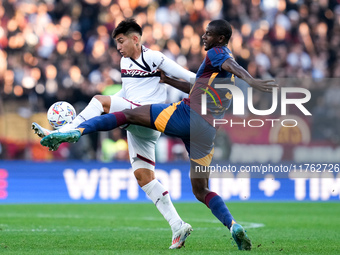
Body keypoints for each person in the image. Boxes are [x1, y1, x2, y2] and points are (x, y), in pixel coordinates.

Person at [40, 19, 278, 251]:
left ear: (221, 38)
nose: (203, 36)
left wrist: (252, 81)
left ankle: (75, 131)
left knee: (120, 111)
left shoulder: (216, 53)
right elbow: (198, 87)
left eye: (208, 33)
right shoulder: (221, 79)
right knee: (189, 187)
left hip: (184, 115)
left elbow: (211, 70)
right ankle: (224, 225)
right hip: (206, 131)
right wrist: (167, 80)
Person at [33, 19, 196, 249]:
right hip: (139, 124)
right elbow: (127, 91)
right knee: (144, 177)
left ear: (135, 39)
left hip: (149, 115)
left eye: (121, 41)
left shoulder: (154, 58)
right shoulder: (124, 61)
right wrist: (112, 102)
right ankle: (177, 225)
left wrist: (212, 85)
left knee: (100, 101)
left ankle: (64, 131)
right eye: (116, 43)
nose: (118, 47)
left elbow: (189, 76)